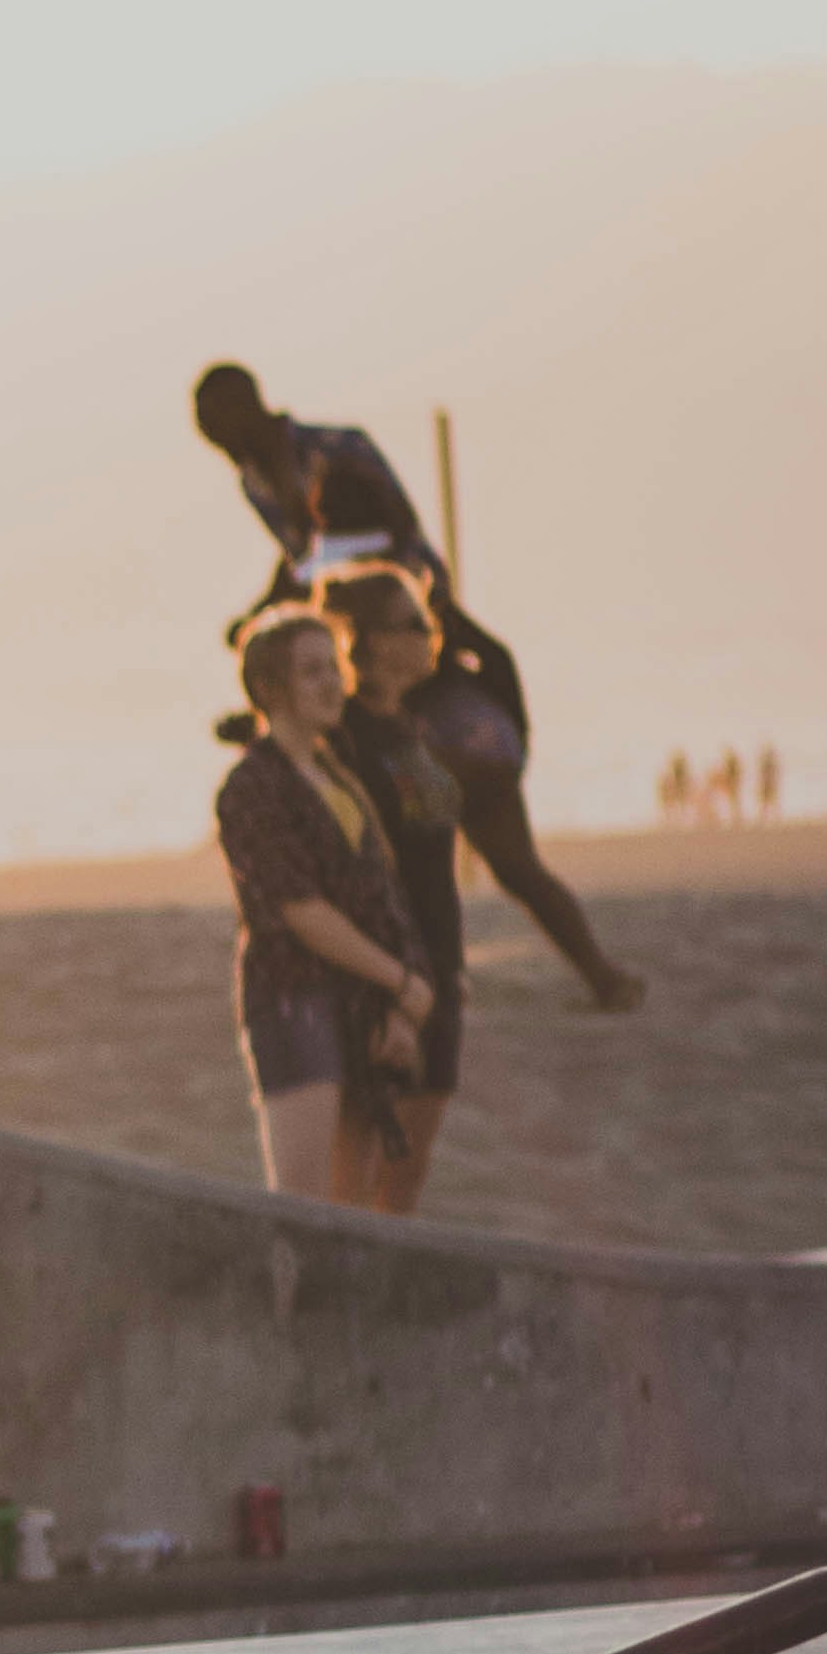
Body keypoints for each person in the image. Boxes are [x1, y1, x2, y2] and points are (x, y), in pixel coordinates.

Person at [189, 365, 643, 1013]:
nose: (217, 444)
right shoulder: (256, 483)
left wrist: (396, 613)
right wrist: (266, 613)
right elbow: (302, 560)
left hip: (389, 612)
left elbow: (386, 533)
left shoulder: (338, 450)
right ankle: (517, 976)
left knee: (480, 859)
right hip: (345, 621)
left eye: (218, 426)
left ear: (248, 406)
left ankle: (593, 975)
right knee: (424, 854)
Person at [213, 607, 432, 1204]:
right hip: (294, 1000)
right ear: (268, 689)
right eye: (311, 672)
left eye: (333, 668)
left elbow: (383, 899)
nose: (332, 684)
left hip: (362, 1003)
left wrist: (403, 1004)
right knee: (304, 1209)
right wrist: (401, 979)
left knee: (352, 1211)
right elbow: (300, 911)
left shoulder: (338, 779)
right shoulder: (251, 787)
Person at [317, 564, 467, 1213]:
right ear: (370, 641)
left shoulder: (410, 726)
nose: (430, 633)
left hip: (440, 967)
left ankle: (381, 1298)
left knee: (408, 1171)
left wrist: (447, 970)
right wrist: (391, 984)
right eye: (414, 623)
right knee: (360, 1170)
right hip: (382, 974)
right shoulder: (343, 738)